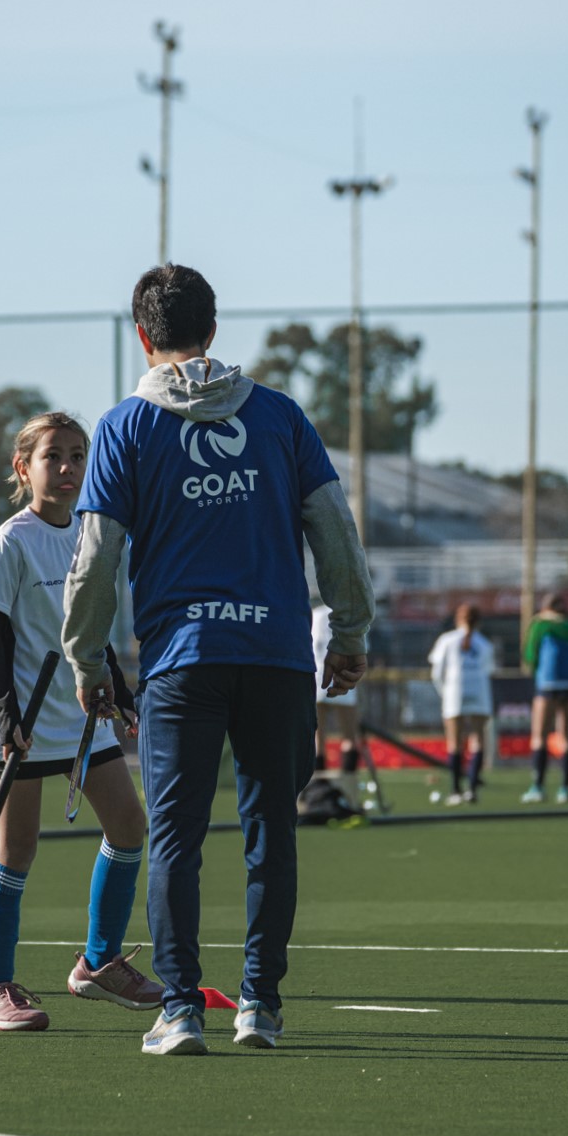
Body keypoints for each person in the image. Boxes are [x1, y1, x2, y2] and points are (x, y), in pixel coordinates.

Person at [62, 263, 375, 1056]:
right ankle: (260, 1006)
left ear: (142, 335)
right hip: (276, 658)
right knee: (273, 831)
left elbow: (96, 559)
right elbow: (335, 529)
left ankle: (180, 1011)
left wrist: (87, 660)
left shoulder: (126, 426)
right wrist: (349, 631)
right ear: (212, 327)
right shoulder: (279, 415)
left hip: (181, 664)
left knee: (175, 839)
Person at [0, 410, 158, 1032]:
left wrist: (119, 691)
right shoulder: (10, 540)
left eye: (78, 455)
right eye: (54, 456)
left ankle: (98, 963)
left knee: (129, 826)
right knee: (17, 848)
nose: (69, 467)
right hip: (19, 716)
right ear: (23, 468)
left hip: (79, 712)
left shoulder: (93, 533)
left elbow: (92, 627)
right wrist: (6, 715)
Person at [521, 592, 568, 804]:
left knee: (540, 735)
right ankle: (565, 789)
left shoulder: (540, 624)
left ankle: (538, 787)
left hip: (549, 683)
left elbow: (530, 655)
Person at [427, 602, 495, 805]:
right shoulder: (485, 644)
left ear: (458, 619)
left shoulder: (447, 640)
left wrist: (445, 693)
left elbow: (436, 673)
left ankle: (456, 790)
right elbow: (488, 670)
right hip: (479, 694)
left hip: (455, 694)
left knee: (454, 743)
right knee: (478, 740)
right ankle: (472, 789)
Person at [311, 601, 364, 806]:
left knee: (318, 738)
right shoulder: (352, 615)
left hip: (318, 677)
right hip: (344, 676)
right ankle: (348, 795)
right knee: (349, 737)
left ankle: (318, 795)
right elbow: (360, 650)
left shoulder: (316, 614)